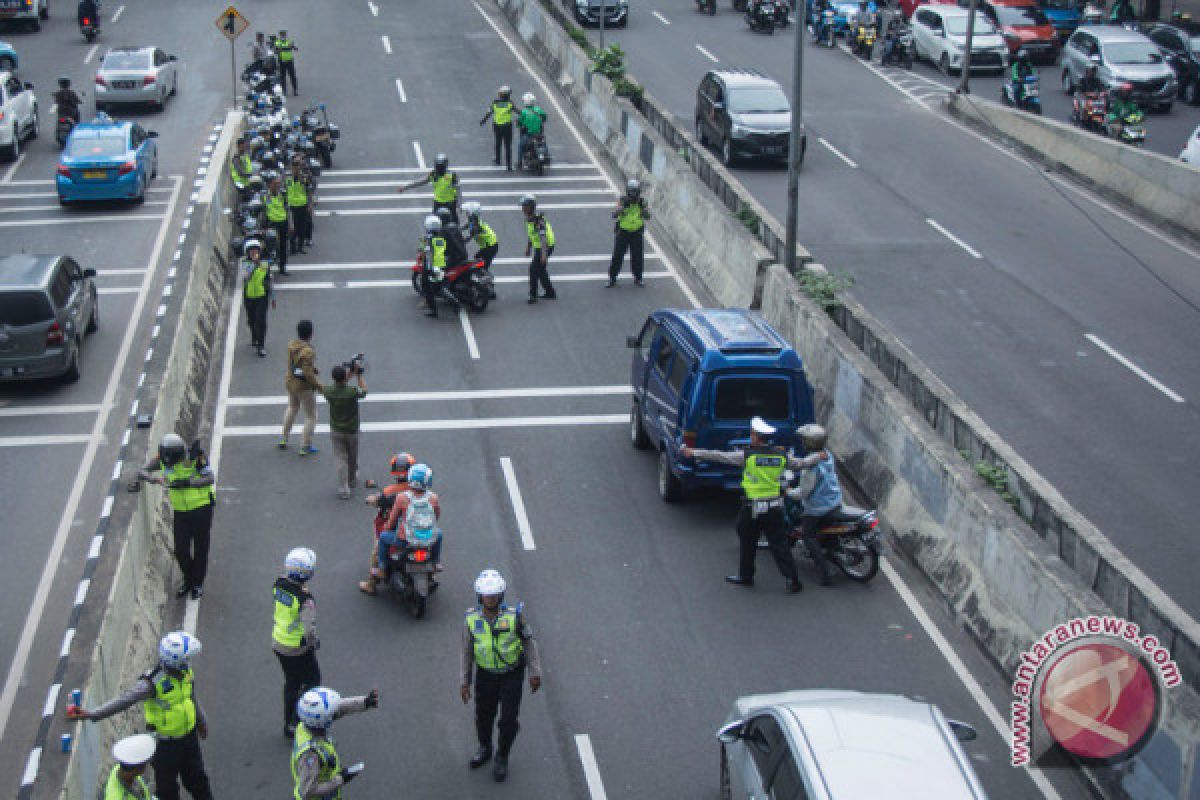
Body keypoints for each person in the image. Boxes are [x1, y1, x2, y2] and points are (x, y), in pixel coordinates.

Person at [67, 632, 214, 800]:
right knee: (167, 791)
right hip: (165, 747)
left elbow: (191, 698)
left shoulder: (186, 673)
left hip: (189, 739)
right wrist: (93, 714)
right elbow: (124, 700)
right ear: (175, 660)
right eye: (186, 659)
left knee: (199, 781)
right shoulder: (152, 683)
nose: (189, 663)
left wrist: (201, 720)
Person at [680, 416, 806, 593]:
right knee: (779, 543)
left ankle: (746, 575)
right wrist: (819, 457)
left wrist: (693, 452)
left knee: (746, 538)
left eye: (752, 434)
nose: (751, 437)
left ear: (756, 437)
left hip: (753, 508)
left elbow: (719, 456)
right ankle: (792, 579)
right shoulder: (782, 456)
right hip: (775, 508)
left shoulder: (747, 456)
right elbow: (800, 464)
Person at [461, 569, 542, 782]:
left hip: (511, 675)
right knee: (483, 717)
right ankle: (485, 747)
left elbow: (529, 643)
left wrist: (535, 672)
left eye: (495, 595)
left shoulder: (514, 616)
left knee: (508, 720)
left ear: (501, 596)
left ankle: (502, 756)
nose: (491, 599)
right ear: (480, 596)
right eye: (487, 596)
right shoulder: (471, 619)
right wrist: (465, 681)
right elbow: (466, 652)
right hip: (485, 676)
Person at [139, 434, 215, 600]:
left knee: (201, 548)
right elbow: (143, 470)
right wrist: (153, 479)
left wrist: (187, 483)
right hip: (180, 510)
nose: (168, 465)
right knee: (181, 550)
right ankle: (188, 579)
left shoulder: (196, 456)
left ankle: (197, 583)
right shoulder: (165, 457)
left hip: (202, 508)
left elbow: (209, 478)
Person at [361, 463, 442, 594]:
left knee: (382, 539)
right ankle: (437, 562)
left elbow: (392, 519)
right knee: (439, 534)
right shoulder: (433, 497)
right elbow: (437, 515)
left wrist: (387, 528)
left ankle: (380, 571)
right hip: (427, 538)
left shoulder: (401, 497)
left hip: (405, 540)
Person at [292, 687, 379, 799]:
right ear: (322, 721)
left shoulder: (304, 726)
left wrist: (364, 702)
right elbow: (308, 790)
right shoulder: (310, 754)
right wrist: (341, 779)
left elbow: (338, 708)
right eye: (330, 715)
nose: (334, 714)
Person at [273, 547, 321, 739]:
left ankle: (288, 723)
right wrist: (313, 642)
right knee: (312, 681)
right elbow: (309, 629)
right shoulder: (305, 599)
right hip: (297, 647)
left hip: (278, 642)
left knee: (292, 683)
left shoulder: (278, 585)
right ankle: (296, 719)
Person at [788, 424, 843, 586]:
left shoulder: (810, 468)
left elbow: (803, 492)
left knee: (808, 536)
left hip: (818, 507)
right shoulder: (826, 455)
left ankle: (826, 572)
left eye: (804, 440)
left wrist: (788, 491)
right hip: (834, 500)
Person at [321, 362, 367, 499]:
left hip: (336, 430)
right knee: (352, 456)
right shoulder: (352, 392)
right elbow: (364, 391)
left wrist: (349, 374)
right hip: (352, 430)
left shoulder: (328, 391)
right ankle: (352, 479)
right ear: (343, 377)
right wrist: (358, 375)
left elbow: (339, 385)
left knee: (341, 459)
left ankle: (343, 487)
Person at [281, 319, 321, 454]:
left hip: (290, 381)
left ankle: (284, 437)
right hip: (303, 387)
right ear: (311, 334)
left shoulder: (292, 345)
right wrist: (319, 385)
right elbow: (308, 375)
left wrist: (311, 368)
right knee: (311, 415)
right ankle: (305, 445)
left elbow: (297, 364)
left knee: (292, 407)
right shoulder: (308, 351)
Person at [607, 179, 650, 288]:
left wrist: (644, 211)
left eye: (635, 191)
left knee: (637, 257)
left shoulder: (642, 202)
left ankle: (638, 278)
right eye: (632, 191)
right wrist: (622, 208)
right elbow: (614, 215)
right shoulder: (622, 201)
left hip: (636, 232)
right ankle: (612, 278)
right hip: (623, 232)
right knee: (617, 255)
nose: (633, 194)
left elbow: (648, 216)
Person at [398, 153, 460, 223]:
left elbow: (457, 189)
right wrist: (405, 187)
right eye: (438, 166)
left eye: (440, 166)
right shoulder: (433, 174)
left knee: (454, 224)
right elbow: (420, 182)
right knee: (435, 223)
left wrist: (458, 204)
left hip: (450, 203)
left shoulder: (452, 175)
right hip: (438, 203)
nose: (439, 168)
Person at [241, 239, 274, 358]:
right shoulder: (245, 264)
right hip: (249, 296)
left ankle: (261, 345)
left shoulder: (264, 264)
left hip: (262, 296)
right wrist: (254, 265)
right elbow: (246, 277)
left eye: (256, 251)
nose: (254, 253)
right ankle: (254, 336)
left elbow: (269, 279)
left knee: (261, 321)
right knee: (251, 320)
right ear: (248, 253)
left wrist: (273, 296)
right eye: (252, 251)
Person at [521, 194, 556, 304]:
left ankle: (533, 295)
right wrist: (528, 247)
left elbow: (543, 238)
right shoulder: (530, 218)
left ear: (530, 207)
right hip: (539, 246)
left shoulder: (538, 221)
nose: (522, 208)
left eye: (524, 206)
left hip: (545, 246)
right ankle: (550, 292)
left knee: (533, 269)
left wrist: (544, 255)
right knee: (541, 270)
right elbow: (531, 234)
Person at [462, 200, 499, 298]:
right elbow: (464, 227)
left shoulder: (475, 224)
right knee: (478, 261)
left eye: (467, 212)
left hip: (490, 246)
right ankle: (488, 287)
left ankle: (490, 290)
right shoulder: (473, 220)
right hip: (489, 245)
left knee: (480, 266)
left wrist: (460, 242)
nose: (466, 213)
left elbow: (470, 236)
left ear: (471, 213)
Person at [102, 734, 156, 800]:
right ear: (138, 769)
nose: (147, 766)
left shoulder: (122, 769)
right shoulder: (116, 797)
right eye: (145, 764)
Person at [419, 214, 453, 318]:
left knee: (429, 288)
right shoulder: (440, 238)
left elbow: (427, 253)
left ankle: (434, 310)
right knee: (438, 286)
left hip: (431, 267)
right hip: (440, 265)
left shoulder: (429, 239)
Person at [480, 85, 516, 170]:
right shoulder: (510, 103)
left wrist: (483, 121)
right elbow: (518, 111)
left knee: (498, 143)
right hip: (507, 126)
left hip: (497, 126)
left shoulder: (495, 103)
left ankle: (498, 160)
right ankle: (509, 165)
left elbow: (489, 113)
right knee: (508, 146)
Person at [287, 158, 315, 256]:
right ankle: (293, 248)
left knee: (302, 227)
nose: (295, 170)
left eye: (297, 167)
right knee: (292, 228)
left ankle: (300, 247)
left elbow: (309, 191)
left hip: (302, 205)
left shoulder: (304, 178)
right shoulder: (287, 178)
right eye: (294, 167)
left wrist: (310, 204)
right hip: (291, 206)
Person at [265, 176, 290, 275]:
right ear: (270, 184)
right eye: (275, 184)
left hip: (283, 222)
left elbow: (287, 208)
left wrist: (290, 223)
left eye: (279, 184)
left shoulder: (283, 194)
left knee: (283, 246)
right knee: (270, 246)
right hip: (271, 223)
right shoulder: (264, 196)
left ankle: (282, 267)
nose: (278, 186)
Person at [517, 93, 547, 169]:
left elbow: (519, 122)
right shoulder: (538, 110)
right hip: (539, 134)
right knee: (544, 144)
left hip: (528, 135)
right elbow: (544, 117)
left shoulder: (523, 112)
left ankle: (519, 163)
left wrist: (520, 124)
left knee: (520, 147)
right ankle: (546, 157)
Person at [275, 29, 299, 95]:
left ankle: (295, 90)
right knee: (282, 77)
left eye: (284, 34)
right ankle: (284, 91)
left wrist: (293, 47)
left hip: (289, 61)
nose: (283, 35)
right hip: (282, 61)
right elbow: (277, 50)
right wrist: (287, 48)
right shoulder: (278, 42)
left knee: (292, 76)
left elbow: (294, 48)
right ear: (280, 35)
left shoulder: (289, 41)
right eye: (282, 34)